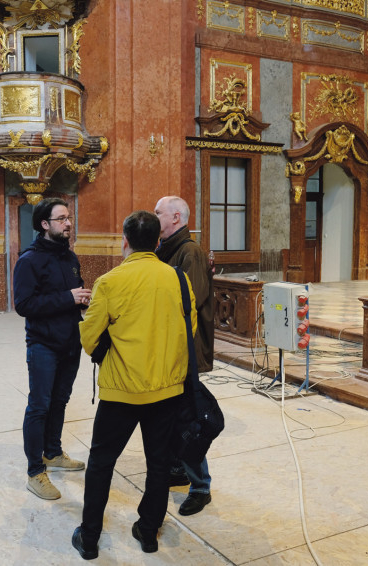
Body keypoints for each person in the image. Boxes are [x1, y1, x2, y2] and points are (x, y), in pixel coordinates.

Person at [72, 210, 197, 560]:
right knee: (159, 463)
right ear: (157, 241)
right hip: (166, 390)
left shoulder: (110, 282)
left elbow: (89, 337)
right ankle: (148, 531)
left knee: (101, 462)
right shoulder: (178, 279)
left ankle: (90, 538)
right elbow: (190, 331)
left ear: (124, 241)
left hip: (121, 391)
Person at [13, 198, 91, 500]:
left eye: (69, 217)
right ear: (44, 224)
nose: (68, 223)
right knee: (39, 406)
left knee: (60, 401)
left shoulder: (69, 257)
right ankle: (35, 472)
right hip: (43, 344)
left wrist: (82, 299)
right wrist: (68, 298)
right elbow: (24, 305)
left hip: (70, 340)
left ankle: (53, 453)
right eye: (61, 219)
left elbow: (72, 292)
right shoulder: (29, 260)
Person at [154, 196, 214, 516]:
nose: (155, 217)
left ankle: (201, 487)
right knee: (172, 415)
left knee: (188, 419)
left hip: (185, 348)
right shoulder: (165, 249)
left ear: (175, 217)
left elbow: (190, 300)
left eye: (158, 212)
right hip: (170, 346)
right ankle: (178, 469)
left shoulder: (189, 252)